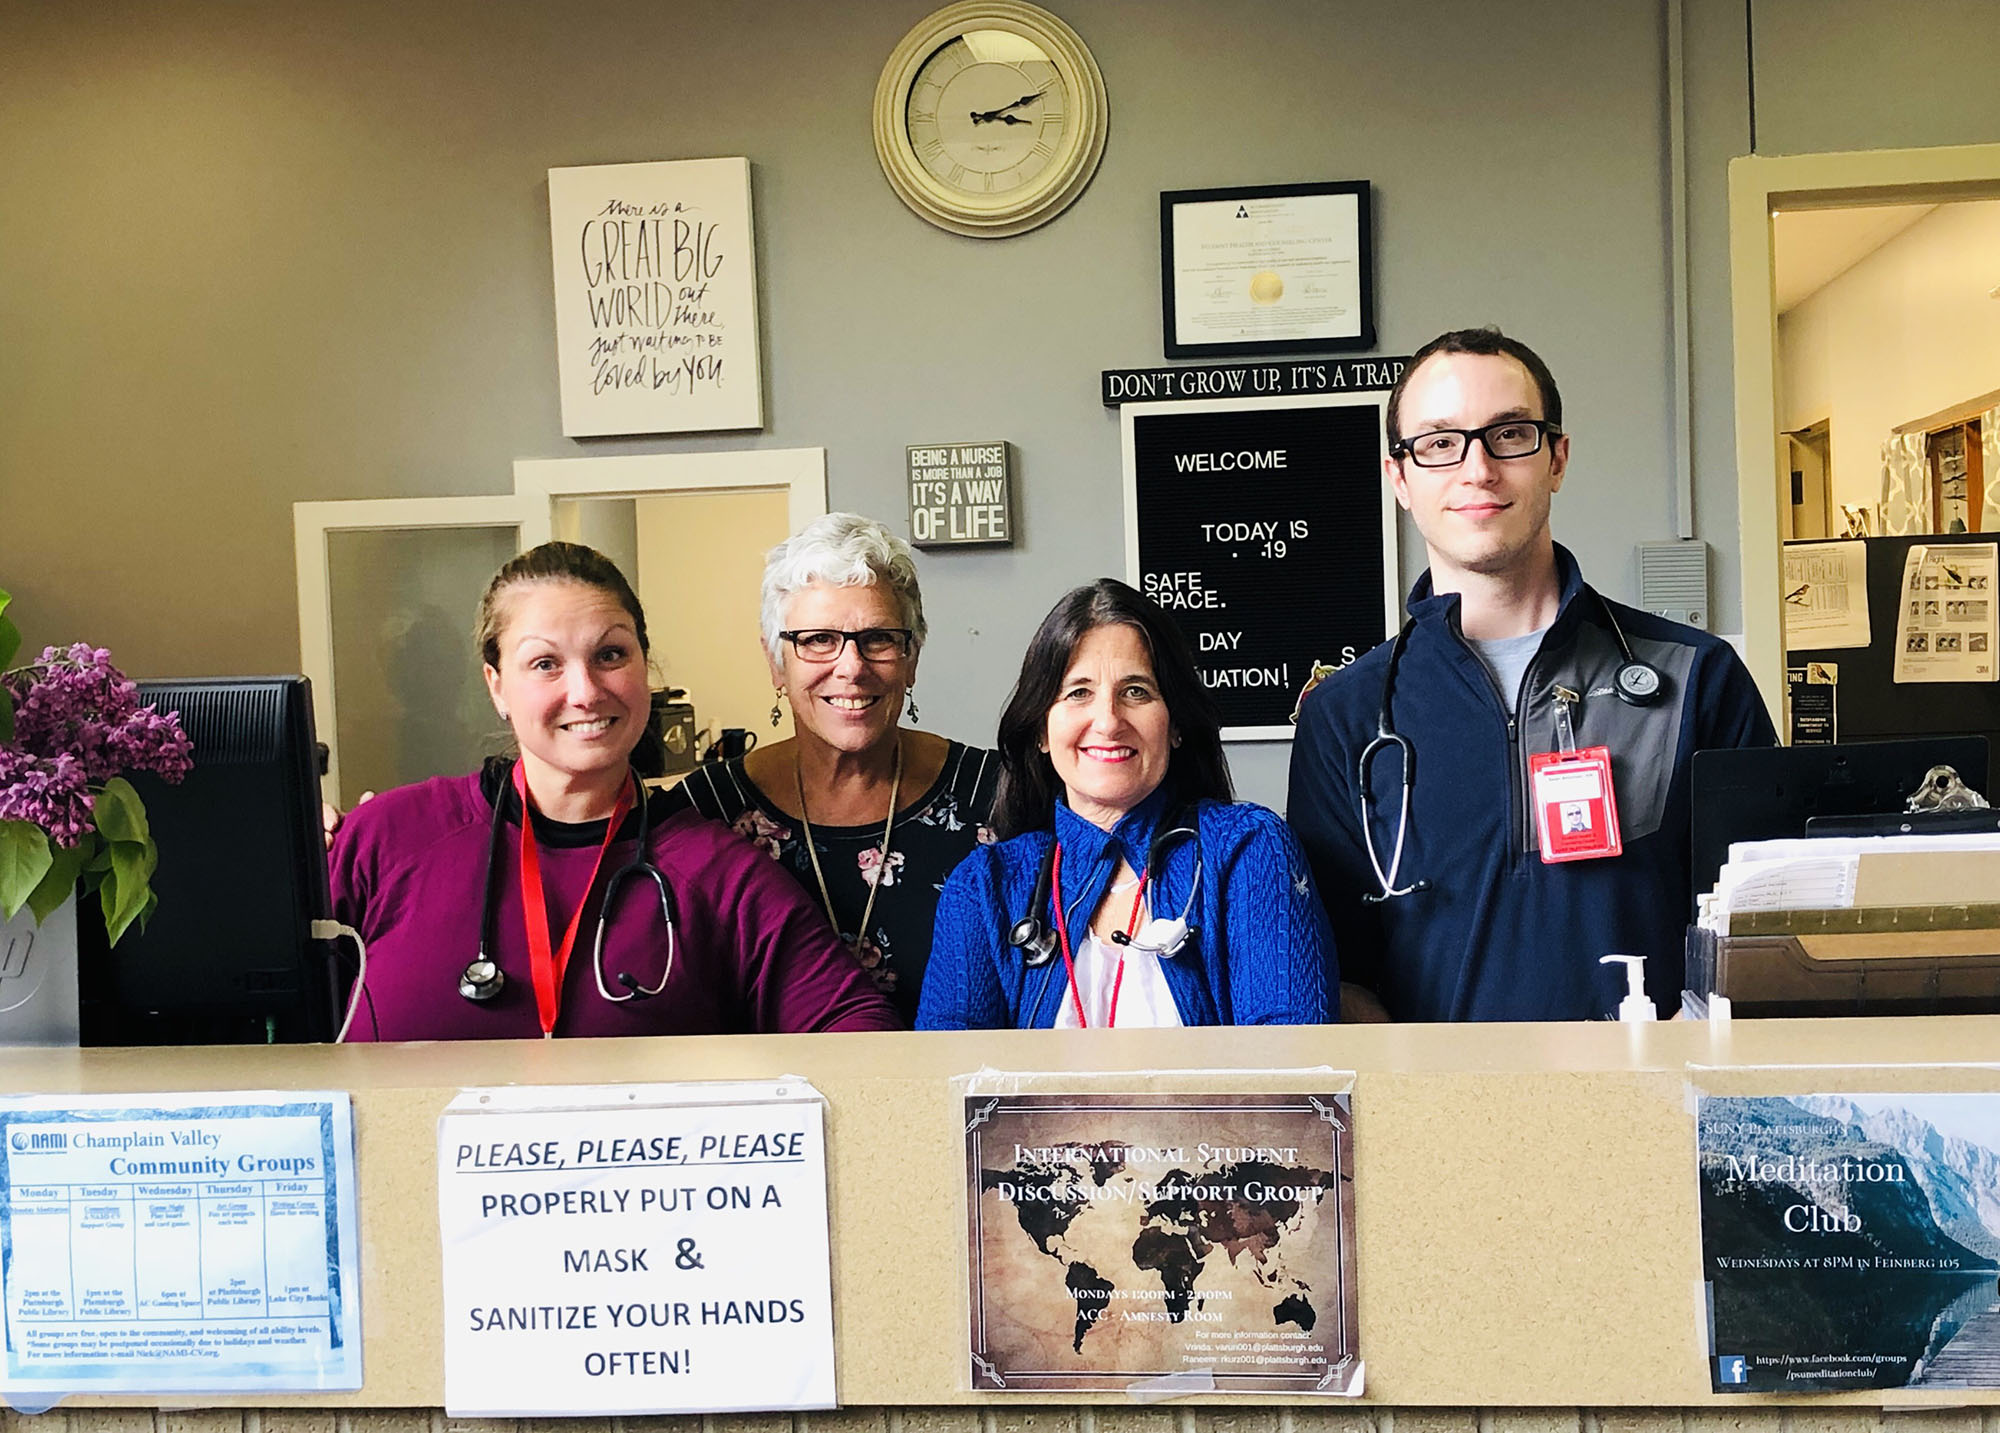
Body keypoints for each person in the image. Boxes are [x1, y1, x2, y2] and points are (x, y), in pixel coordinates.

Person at [1287, 327, 1776, 1023]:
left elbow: (1760, 937)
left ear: (1558, 458)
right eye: (1438, 443)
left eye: (1510, 434)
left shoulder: (1694, 680)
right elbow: (1335, 975)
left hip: (1655, 1116)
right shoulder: (1346, 717)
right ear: (1400, 478)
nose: (1477, 469)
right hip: (1435, 1122)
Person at [329, 541, 899, 1040]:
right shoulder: (389, 837)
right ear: (496, 685)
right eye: (545, 663)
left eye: (610, 655)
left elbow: (858, 1032)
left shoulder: (720, 875)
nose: (585, 691)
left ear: (644, 666)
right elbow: (254, 988)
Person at [918, 579, 1333, 1029]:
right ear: (1041, 730)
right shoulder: (983, 889)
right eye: (1078, 692)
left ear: (1175, 725)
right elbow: (952, 1088)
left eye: (1136, 691)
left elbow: (1291, 1071)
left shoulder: (1249, 849)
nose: (1109, 721)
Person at [662, 514, 998, 1023]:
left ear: (912, 658)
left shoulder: (996, 795)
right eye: (818, 639)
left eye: (879, 638)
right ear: (777, 662)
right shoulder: (706, 812)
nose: (851, 667)